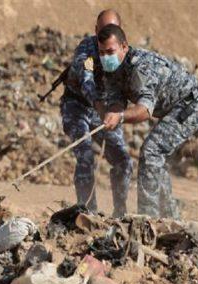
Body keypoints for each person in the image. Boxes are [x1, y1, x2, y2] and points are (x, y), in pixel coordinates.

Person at [97, 24, 198, 219]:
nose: (106, 57)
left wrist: (121, 117)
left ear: (124, 47)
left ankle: (147, 219)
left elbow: (144, 111)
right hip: (172, 108)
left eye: (110, 51)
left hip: (190, 105)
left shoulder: (141, 68)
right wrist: (111, 114)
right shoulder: (112, 71)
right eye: (101, 52)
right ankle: (170, 218)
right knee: (157, 157)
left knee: (151, 151)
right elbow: (116, 101)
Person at [60, 10, 132, 217]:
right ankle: (87, 213)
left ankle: (120, 211)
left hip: (104, 110)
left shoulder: (123, 51)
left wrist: (117, 111)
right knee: (85, 156)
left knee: (123, 160)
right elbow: (87, 79)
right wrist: (101, 108)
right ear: (95, 31)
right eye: (102, 30)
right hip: (78, 106)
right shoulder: (88, 50)